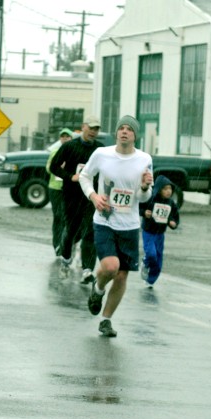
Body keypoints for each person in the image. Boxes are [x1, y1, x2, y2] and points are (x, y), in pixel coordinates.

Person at [80, 115, 154, 337]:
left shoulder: (144, 159)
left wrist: (143, 187)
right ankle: (98, 289)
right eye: (121, 128)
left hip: (129, 225)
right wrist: (93, 196)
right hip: (105, 220)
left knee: (122, 276)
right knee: (111, 267)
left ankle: (106, 320)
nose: (124, 132)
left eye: (129, 129)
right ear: (116, 133)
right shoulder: (102, 154)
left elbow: (144, 197)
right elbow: (84, 176)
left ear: (135, 135)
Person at [49, 115, 104, 283]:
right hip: (71, 195)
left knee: (90, 232)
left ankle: (87, 270)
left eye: (96, 129)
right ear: (83, 127)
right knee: (71, 230)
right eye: (91, 128)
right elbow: (54, 166)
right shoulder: (70, 147)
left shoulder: (100, 150)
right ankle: (66, 260)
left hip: (91, 197)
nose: (93, 132)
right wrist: (70, 176)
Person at [139, 175, 180, 288]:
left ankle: (150, 280)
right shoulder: (151, 199)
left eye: (170, 189)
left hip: (160, 234)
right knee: (151, 254)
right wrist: (144, 213)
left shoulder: (171, 203)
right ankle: (145, 262)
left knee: (158, 258)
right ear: (159, 189)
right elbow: (139, 207)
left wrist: (173, 223)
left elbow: (174, 216)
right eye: (165, 189)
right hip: (148, 232)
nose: (168, 191)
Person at [46, 128, 73, 257]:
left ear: (71, 139)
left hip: (69, 189)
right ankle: (57, 245)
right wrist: (59, 169)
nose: (65, 139)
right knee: (58, 216)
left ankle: (66, 244)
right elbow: (48, 168)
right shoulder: (55, 152)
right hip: (55, 188)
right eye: (63, 137)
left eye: (68, 137)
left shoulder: (74, 152)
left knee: (68, 218)